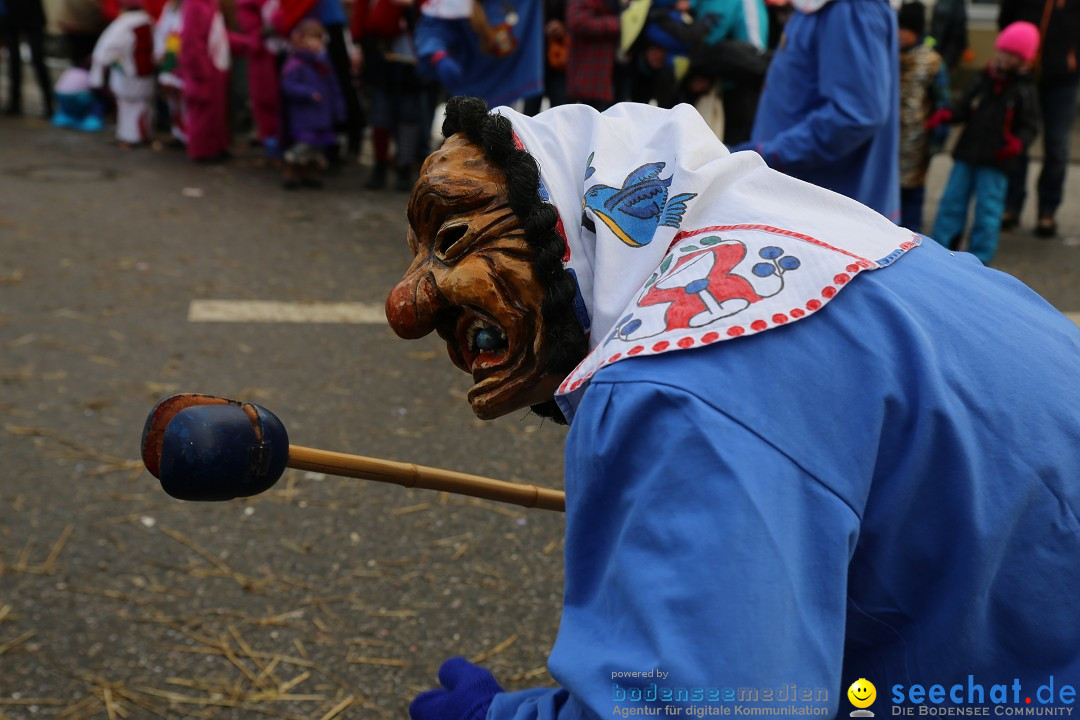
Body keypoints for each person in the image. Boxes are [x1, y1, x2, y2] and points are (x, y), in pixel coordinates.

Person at [387, 96, 1080, 720]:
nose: (408, 308)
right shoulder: (863, 254)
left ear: (566, 227)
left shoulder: (676, 383)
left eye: (452, 241)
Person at [731, 0, 899, 222]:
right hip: (799, 198)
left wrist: (770, 154)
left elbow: (855, 115)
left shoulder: (849, 8)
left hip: (822, 211)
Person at [928, 21, 1040, 265]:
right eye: (1002, 50)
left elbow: (1030, 126)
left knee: (988, 212)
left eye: (1011, 54)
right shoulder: (983, 79)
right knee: (951, 203)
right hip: (968, 153)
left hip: (997, 160)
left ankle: (980, 260)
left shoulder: (1025, 90)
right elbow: (964, 108)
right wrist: (948, 115)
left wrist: (1018, 143)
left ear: (1023, 61)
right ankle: (941, 251)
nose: (1003, 57)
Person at [998, 0, 1080, 238]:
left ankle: (1048, 210)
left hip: (1063, 80)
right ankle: (1011, 206)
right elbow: (1006, 19)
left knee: (1057, 147)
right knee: (1016, 141)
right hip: (1023, 76)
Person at [897, 1, 947, 234]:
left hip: (917, 139)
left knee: (912, 188)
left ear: (915, 32)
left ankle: (912, 232)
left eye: (904, 29)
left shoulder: (931, 61)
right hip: (889, 137)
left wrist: (938, 133)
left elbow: (941, 101)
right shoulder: (888, 55)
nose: (899, 34)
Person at [279, 18, 344, 188]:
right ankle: (291, 171)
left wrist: (338, 108)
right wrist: (307, 93)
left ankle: (310, 174)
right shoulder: (296, 63)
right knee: (304, 146)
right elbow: (288, 86)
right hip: (304, 116)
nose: (317, 43)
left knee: (316, 149)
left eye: (319, 39)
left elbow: (333, 87)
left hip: (321, 115)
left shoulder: (323, 63)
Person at [89, 0, 157, 145]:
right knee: (142, 108)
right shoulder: (149, 21)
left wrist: (98, 77)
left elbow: (103, 52)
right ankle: (139, 135)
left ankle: (132, 138)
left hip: (129, 74)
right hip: (145, 72)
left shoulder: (121, 25)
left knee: (129, 109)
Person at [181, 0, 231, 161]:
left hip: (215, 65)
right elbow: (191, 42)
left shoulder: (210, 4)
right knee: (202, 111)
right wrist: (201, 71)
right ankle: (202, 151)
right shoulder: (195, 5)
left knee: (216, 111)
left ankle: (216, 146)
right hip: (204, 69)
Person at [3, 0, 53, 117]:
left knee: (37, 59)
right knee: (13, 60)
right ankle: (14, 103)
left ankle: (49, 103)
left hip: (32, 15)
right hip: (10, 16)